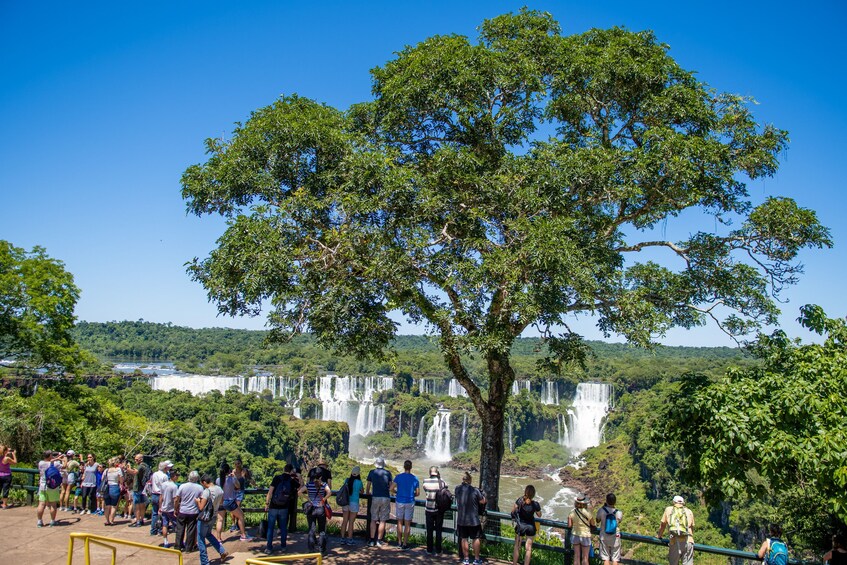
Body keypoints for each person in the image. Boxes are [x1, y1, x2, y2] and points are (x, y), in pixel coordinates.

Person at [455, 471, 486, 565]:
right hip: (473, 520)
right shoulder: (475, 490)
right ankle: (476, 559)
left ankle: (466, 559)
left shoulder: (457, 489)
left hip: (461, 519)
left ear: (463, 480)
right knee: (476, 538)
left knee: (464, 539)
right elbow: (482, 501)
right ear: (470, 480)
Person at [196, 473, 228, 565]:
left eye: (203, 484)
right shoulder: (219, 489)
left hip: (204, 518)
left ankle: (205, 562)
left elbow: (201, 507)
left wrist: (198, 501)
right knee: (208, 535)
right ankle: (222, 550)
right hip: (213, 516)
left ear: (205, 482)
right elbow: (221, 502)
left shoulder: (207, 491)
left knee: (201, 538)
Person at [264, 463, 296, 553]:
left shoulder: (277, 478)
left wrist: (266, 503)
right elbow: (301, 486)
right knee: (283, 528)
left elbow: (270, 492)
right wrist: (297, 476)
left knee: (270, 527)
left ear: (284, 469)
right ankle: (283, 546)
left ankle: (269, 548)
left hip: (273, 506)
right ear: (291, 471)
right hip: (284, 507)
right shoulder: (291, 480)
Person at [657, 495, 695, 565]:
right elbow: (692, 528)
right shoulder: (689, 511)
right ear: (683, 503)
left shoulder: (669, 509)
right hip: (688, 541)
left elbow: (663, 525)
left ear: (673, 502)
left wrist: (659, 536)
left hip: (674, 541)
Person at [300, 472, 332, 554]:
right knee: (322, 530)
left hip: (311, 509)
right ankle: (322, 550)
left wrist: (307, 498)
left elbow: (299, 492)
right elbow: (329, 492)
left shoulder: (309, 484)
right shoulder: (323, 484)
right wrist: (323, 500)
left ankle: (311, 549)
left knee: (311, 530)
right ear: (320, 477)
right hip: (320, 509)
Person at [391, 459, 419, 549]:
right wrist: (411, 494)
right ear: (411, 468)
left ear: (404, 467)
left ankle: (399, 542)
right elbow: (418, 493)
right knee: (407, 524)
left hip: (399, 501)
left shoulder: (398, 477)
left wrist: (396, 492)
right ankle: (405, 544)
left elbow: (391, 488)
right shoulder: (415, 478)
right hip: (410, 501)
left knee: (399, 522)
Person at [511, 485, 542, 565]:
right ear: (533, 494)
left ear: (525, 492)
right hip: (531, 526)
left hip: (520, 525)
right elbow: (539, 515)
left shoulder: (520, 501)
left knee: (517, 546)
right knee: (528, 548)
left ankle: (514, 563)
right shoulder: (535, 504)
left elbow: (513, 511)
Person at [366, 456, 392, 547]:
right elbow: (390, 486)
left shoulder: (372, 472)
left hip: (375, 497)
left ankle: (372, 540)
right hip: (385, 497)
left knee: (373, 519)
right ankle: (379, 540)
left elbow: (368, 485)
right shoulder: (388, 473)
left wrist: (367, 493)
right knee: (383, 520)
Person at [174, 470, 204, 552]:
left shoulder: (182, 486)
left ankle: (178, 547)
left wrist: (175, 508)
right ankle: (188, 548)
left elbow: (177, 499)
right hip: (193, 511)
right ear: (197, 478)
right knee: (191, 530)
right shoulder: (200, 488)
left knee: (180, 529)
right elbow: (201, 499)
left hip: (183, 510)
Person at [422, 465, 447, 555]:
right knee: (438, 530)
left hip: (428, 509)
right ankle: (438, 550)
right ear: (437, 473)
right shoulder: (442, 482)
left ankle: (429, 549)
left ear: (430, 473)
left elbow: (425, 489)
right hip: (439, 510)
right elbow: (445, 490)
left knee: (429, 530)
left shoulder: (425, 481)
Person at [339, 466, 363, 546]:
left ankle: (342, 539)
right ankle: (350, 539)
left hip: (346, 502)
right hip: (354, 502)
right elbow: (362, 491)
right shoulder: (359, 482)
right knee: (351, 522)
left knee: (344, 521)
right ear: (358, 474)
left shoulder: (347, 480)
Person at [568, 493, 595, 565]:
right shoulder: (588, 512)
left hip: (575, 535)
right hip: (585, 535)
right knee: (585, 558)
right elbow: (593, 524)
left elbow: (569, 525)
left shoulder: (572, 512)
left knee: (576, 557)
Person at [597, 493, 623, 565]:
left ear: (606, 501)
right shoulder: (619, 512)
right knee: (615, 559)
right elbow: (619, 521)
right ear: (615, 501)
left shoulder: (601, 510)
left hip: (604, 536)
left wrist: (603, 507)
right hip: (615, 536)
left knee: (606, 558)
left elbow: (597, 520)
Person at [149, 460, 170, 535]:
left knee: (154, 513)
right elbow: (166, 486)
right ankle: (160, 530)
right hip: (160, 495)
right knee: (162, 513)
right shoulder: (165, 476)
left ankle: (153, 530)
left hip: (154, 494)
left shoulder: (154, 474)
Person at [159, 467, 179, 548]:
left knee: (164, 525)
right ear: (173, 476)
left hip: (164, 508)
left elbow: (161, 497)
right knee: (177, 526)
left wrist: (160, 507)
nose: (177, 477)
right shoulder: (174, 486)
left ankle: (165, 541)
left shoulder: (163, 485)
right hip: (171, 509)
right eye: (177, 476)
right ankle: (178, 541)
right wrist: (176, 509)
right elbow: (175, 499)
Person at [130, 453, 151, 527]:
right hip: (143, 488)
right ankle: (141, 519)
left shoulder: (141, 466)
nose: (135, 460)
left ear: (141, 459)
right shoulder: (146, 466)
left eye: (136, 459)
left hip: (138, 488)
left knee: (137, 506)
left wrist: (127, 468)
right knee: (142, 505)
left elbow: (134, 472)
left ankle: (138, 520)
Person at [103, 457, 125, 526]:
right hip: (115, 486)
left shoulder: (106, 470)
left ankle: (107, 520)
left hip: (107, 488)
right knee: (114, 505)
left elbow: (102, 478)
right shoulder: (118, 470)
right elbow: (121, 480)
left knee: (107, 505)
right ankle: (111, 520)